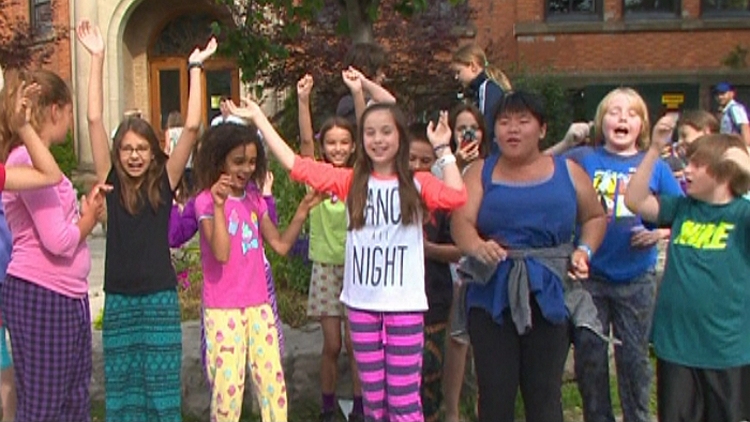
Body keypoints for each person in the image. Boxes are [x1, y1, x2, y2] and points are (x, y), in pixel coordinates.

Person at [229, 95, 467, 421]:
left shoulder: (417, 183)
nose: (378, 139)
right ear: (362, 139)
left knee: (403, 403)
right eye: (370, 132)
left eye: (386, 131)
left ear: (399, 137)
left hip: (405, 309)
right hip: (362, 308)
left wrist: (443, 150)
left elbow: (456, 196)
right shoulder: (350, 182)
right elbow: (297, 165)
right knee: (373, 404)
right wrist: (258, 118)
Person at [78, 19, 216, 421]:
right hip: (119, 301)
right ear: (117, 155)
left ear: (153, 152)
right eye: (127, 149)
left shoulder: (164, 183)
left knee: (160, 390)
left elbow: (191, 127)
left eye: (142, 148)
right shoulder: (110, 186)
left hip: (159, 300)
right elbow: (92, 121)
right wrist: (99, 58)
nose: (134, 156)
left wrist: (195, 68)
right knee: (121, 391)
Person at [450, 91, 607, 422]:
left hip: (550, 291)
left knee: (544, 393)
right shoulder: (480, 171)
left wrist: (584, 250)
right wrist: (477, 246)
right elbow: (461, 222)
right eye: (504, 122)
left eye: (523, 121)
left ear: (543, 129)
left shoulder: (569, 172)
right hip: (491, 290)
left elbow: (594, 217)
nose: (513, 129)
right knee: (495, 393)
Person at [192, 123, 321, 422]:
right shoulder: (205, 202)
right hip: (223, 310)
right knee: (228, 393)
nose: (247, 169)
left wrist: (302, 209)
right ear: (219, 160)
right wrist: (221, 207)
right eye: (238, 161)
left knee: (272, 386)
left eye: (252, 162)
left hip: (259, 305)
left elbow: (279, 245)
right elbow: (221, 253)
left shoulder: (254, 199)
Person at [0, 68, 108, 422]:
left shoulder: (36, 160)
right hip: (42, 294)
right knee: (45, 407)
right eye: (68, 111)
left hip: (67, 295)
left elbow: (51, 180)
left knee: (74, 403)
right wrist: (88, 219)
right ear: (56, 110)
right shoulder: (22, 159)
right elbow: (58, 240)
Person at [568, 88, 682, 422]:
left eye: (631, 113)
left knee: (634, 359)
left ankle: (638, 416)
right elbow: (541, 167)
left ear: (642, 124)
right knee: (590, 355)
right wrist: (565, 142)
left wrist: (658, 233)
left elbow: (682, 214)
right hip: (591, 277)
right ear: (600, 121)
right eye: (614, 112)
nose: (622, 118)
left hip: (636, 277)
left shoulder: (653, 165)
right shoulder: (583, 158)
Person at [625, 122, 750, 421]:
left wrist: (746, 164)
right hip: (677, 347)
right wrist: (654, 149)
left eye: (697, 164)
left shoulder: (742, 215)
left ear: (725, 171)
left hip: (725, 351)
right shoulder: (681, 208)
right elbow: (635, 200)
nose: (687, 171)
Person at [297, 73, 364, 422]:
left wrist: (358, 93)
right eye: (332, 143)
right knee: (333, 345)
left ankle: (360, 407)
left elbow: (371, 137)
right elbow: (306, 142)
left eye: (344, 143)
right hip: (325, 266)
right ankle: (326, 407)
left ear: (353, 146)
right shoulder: (320, 177)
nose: (337, 148)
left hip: (357, 269)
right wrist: (303, 100)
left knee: (356, 346)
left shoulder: (359, 178)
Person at [408, 123, 461, 422]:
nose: (417, 166)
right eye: (411, 159)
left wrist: (427, 249)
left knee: (429, 371)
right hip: (395, 304)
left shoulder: (442, 202)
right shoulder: (389, 195)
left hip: (433, 299)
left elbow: (460, 249)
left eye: (425, 161)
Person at [451, 43, 512, 156]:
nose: (456, 77)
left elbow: (485, 124)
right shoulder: (479, 91)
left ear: (473, 66)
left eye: (458, 72)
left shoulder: (487, 89)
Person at [336, 43, 394, 125]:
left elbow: (391, 102)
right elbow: (363, 128)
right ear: (366, 70)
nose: (383, 76)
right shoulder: (347, 104)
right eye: (379, 71)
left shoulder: (376, 100)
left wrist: (364, 81)